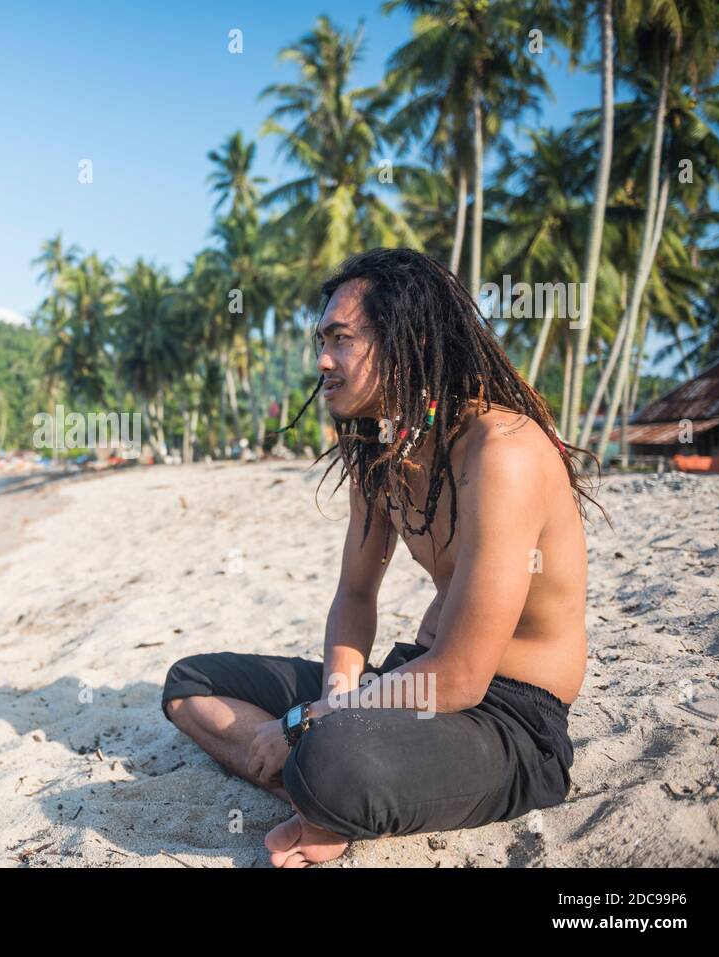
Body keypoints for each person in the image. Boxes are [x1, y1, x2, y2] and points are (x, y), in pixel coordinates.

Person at [161, 248, 607, 868]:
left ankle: (321, 786)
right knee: (191, 682)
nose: (322, 360)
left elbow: (460, 678)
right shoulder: (386, 449)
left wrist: (308, 722)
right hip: (411, 680)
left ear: (409, 340)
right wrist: (334, 700)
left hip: (509, 720)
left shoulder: (503, 453)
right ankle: (317, 795)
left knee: (330, 757)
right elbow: (354, 597)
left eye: (340, 340)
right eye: (322, 339)